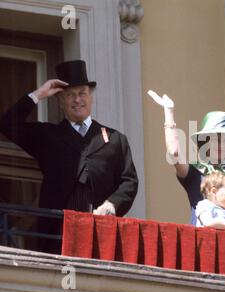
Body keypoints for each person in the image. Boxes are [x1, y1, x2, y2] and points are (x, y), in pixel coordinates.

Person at [0, 60, 138, 251]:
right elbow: (8, 124)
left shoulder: (115, 139)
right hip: (58, 237)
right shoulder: (48, 136)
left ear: (91, 97)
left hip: (102, 237)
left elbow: (129, 181)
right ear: (60, 101)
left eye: (82, 93)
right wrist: (39, 94)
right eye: (70, 95)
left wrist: (112, 205)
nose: (77, 100)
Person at [148, 90, 225, 235]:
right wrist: (169, 112)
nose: (220, 145)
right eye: (215, 139)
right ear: (204, 144)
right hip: (200, 245)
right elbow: (174, 153)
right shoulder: (195, 172)